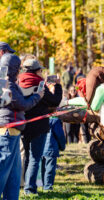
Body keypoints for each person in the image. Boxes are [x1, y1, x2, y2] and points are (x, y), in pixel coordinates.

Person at [0, 54, 43, 200]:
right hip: (8, 132)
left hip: (13, 132)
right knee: (2, 170)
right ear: (13, 69)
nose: (19, 71)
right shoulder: (8, 85)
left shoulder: (10, 83)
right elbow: (22, 104)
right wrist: (37, 96)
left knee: (14, 174)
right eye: (18, 68)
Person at [19, 58, 62, 195]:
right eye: (40, 70)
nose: (42, 72)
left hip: (22, 125)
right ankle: (30, 189)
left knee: (27, 157)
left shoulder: (17, 82)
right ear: (36, 71)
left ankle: (27, 186)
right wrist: (58, 86)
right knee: (34, 158)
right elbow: (55, 101)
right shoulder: (40, 85)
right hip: (39, 126)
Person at [41, 116, 66, 191]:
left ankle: (43, 184)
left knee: (43, 168)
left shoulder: (41, 118)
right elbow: (60, 135)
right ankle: (48, 187)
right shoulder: (55, 120)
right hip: (51, 147)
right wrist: (62, 146)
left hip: (41, 147)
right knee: (50, 168)